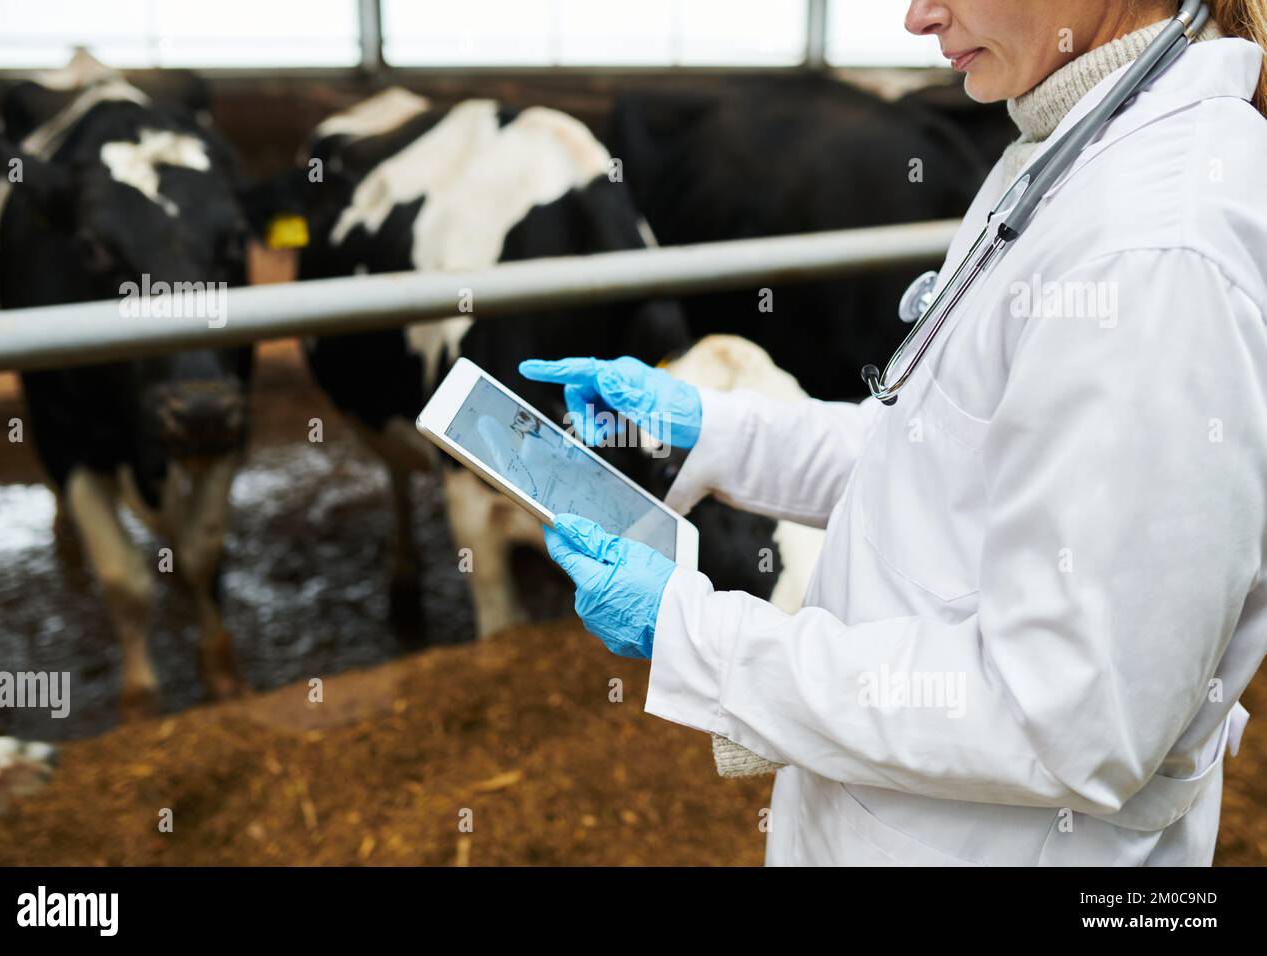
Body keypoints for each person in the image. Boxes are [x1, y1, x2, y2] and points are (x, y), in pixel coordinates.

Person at [520, 0, 1267, 866]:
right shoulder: (1071, 142)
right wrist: (714, 433)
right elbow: (941, 461)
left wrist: (697, 636)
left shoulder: (1158, 258)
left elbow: (1067, 716)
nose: (918, 16)